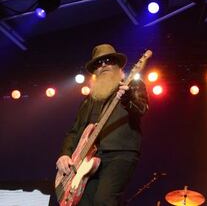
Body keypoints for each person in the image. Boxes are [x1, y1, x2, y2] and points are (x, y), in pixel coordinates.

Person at [56, 43, 149, 205]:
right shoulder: (89, 99)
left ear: (118, 65)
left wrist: (127, 97)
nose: (104, 65)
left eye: (108, 60)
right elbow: (74, 131)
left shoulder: (132, 85)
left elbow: (141, 109)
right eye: (99, 63)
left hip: (120, 153)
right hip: (89, 158)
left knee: (103, 201)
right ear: (95, 71)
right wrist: (64, 154)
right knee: (84, 202)